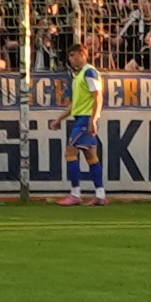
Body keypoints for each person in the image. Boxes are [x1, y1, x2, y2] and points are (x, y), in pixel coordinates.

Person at [61, 55, 107, 206]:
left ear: (82, 54)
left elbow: (98, 96)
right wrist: (59, 119)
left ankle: (75, 194)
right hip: (81, 118)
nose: (71, 59)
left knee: (70, 152)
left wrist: (93, 119)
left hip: (85, 119)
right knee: (91, 156)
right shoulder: (79, 75)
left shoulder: (89, 72)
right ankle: (100, 194)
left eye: (73, 56)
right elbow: (75, 104)